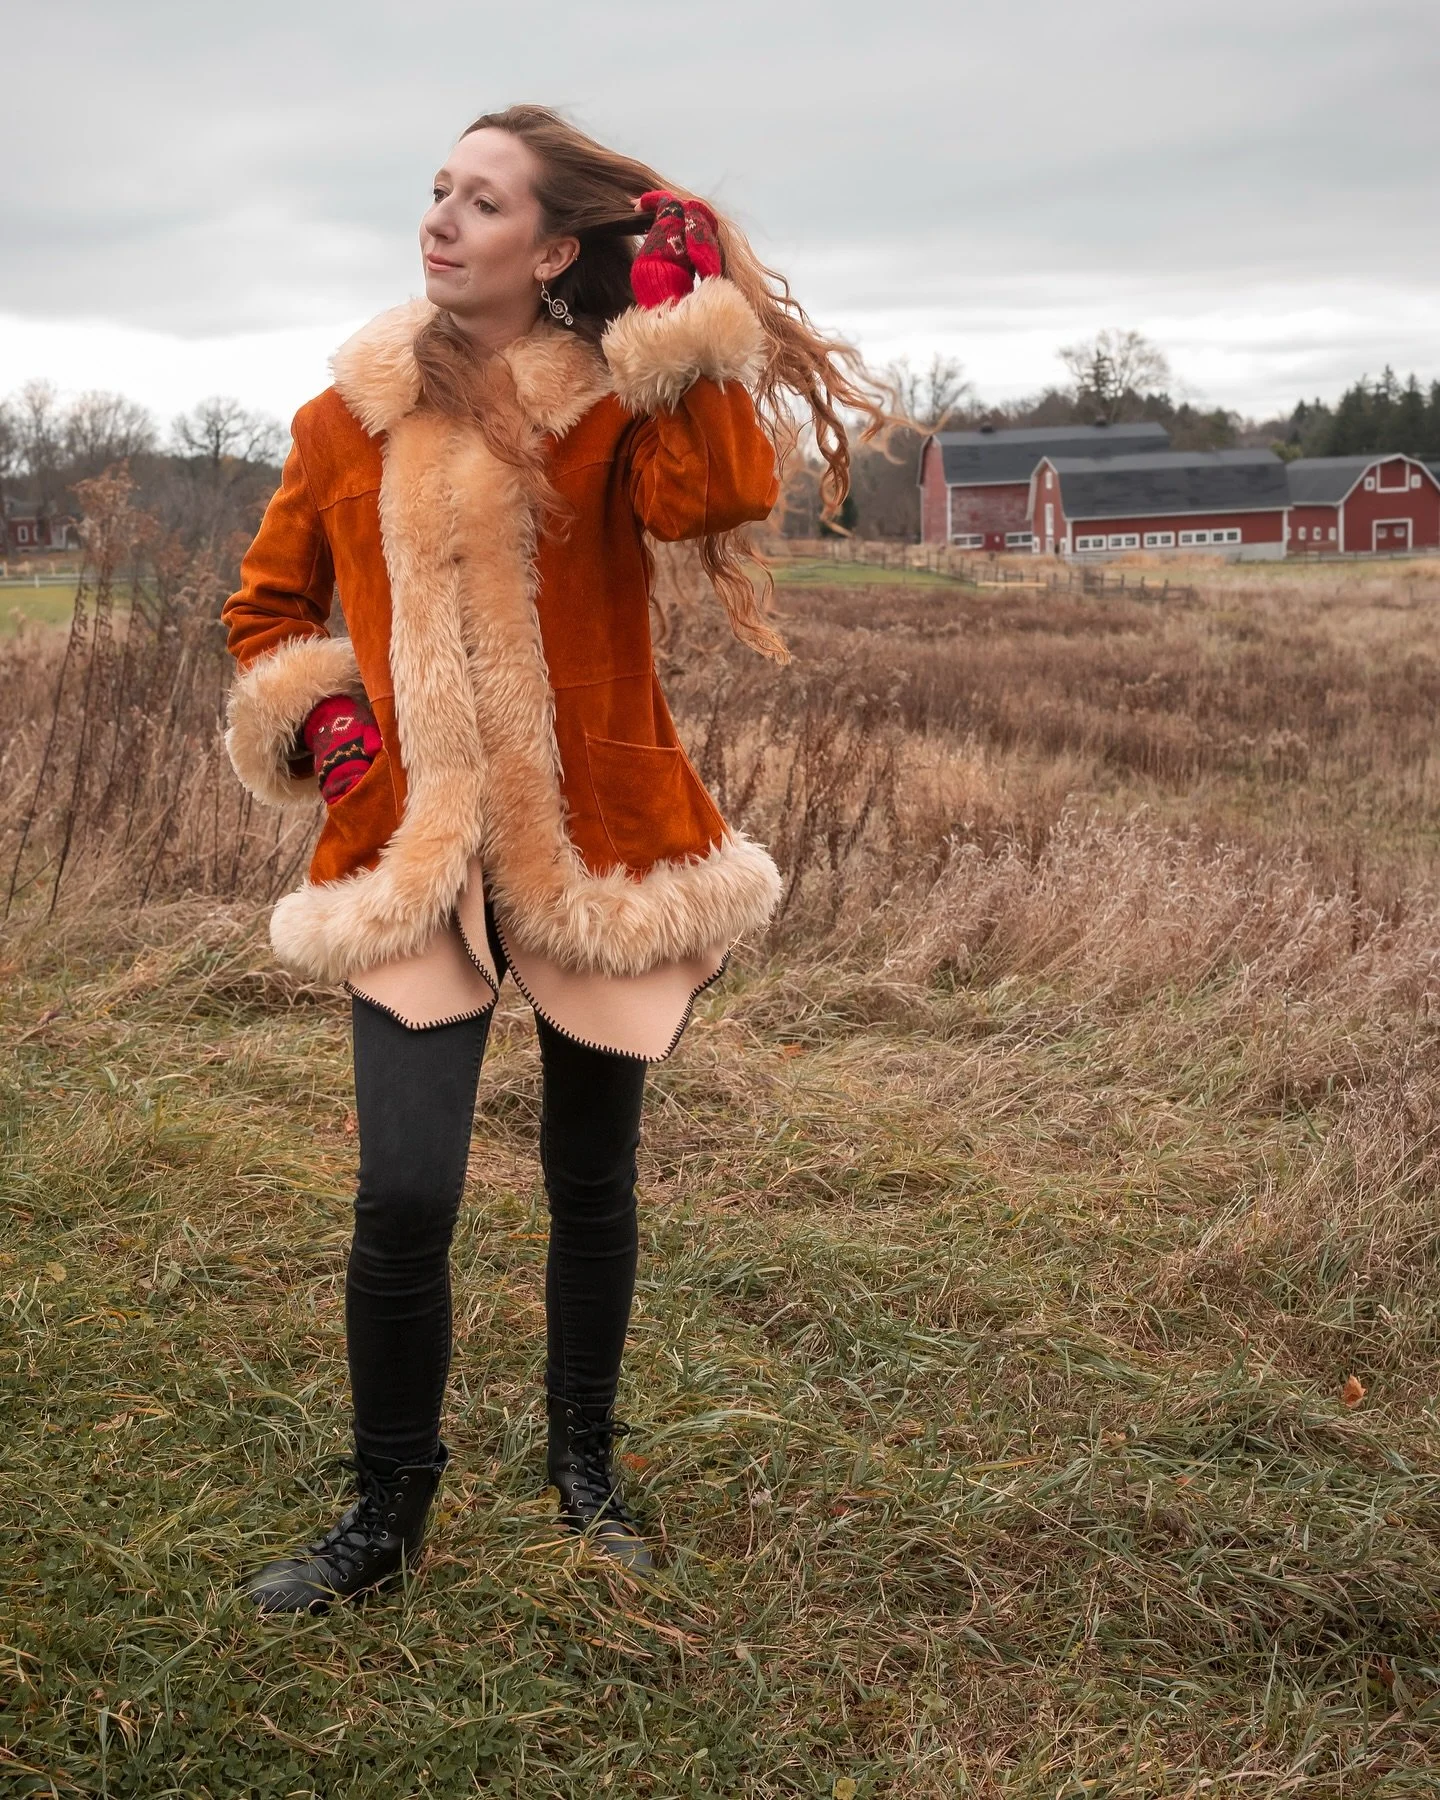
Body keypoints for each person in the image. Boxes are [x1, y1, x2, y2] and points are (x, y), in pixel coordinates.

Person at [221, 104, 878, 1613]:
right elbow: (264, 614)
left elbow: (717, 500)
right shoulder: (343, 420)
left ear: (556, 245)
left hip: (596, 843)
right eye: (437, 193)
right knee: (403, 1198)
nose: (443, 221)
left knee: (592, 1181)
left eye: (484, 202)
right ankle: (384, 1515)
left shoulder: (606, 409)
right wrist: (329, 733)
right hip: (408, 848)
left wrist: (685, 330)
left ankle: (586, 1473)